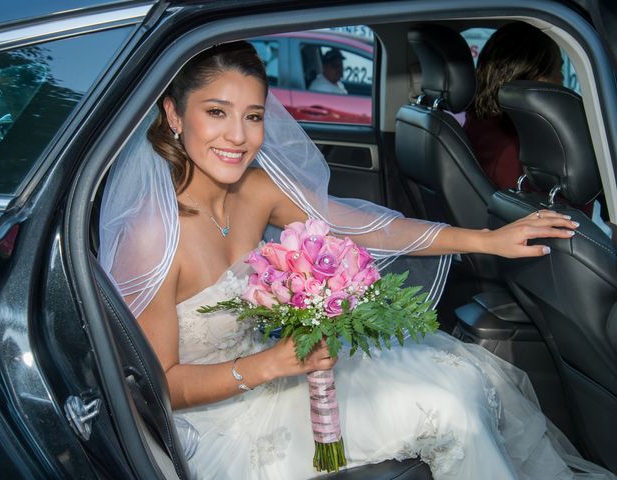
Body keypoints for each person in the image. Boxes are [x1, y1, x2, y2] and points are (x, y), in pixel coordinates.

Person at [99, 41, 614, 479]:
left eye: (252, 116)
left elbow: (364, 225)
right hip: (220, 418)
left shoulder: (255, 188)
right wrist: (267, 365)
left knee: (457, 377)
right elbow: (159, 382)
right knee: (444, 405)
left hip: (283, 372)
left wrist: (486, 238)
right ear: (173, 114)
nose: (237, 136)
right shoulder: (151, 233)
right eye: (216, 112)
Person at [463, 22, 563, 192]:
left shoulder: (479, 123)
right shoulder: (514, 151)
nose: (562, 82)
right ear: (535, 81)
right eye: (558, 72)